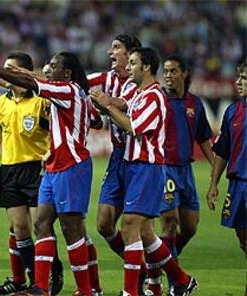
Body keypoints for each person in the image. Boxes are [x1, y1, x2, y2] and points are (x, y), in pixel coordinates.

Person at [0, 47, 102, 296]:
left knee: (71, 228)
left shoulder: (66, 90)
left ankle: (85, 291)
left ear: (66, 73)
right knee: (42, 223)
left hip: (71, 166)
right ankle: (40, 288)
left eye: (53, 65)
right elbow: (96, 120)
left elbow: (27, 81)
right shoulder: (71, 92)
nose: (48, 69)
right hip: (54, 166)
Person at [91, 47, 197, 296]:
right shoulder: (138, 94)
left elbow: (133, 127)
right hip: (132, 166)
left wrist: (107, 105)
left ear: (146, 67)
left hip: (147, 168)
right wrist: (102, 103)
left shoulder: (154, 97)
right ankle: (181, 280)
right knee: (146, 233)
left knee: (129, 227)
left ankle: (131, 291)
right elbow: (122, 107)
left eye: (134, 63)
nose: (128, 67)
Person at [0, 52, 63, 296]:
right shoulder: (1, 102)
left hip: (36, 169)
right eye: (4, 67)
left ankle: (53, 269)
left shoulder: (41, 101)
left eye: (10, 68)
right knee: (20, 229)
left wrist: (51, 152)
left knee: (40, 226)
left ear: (24, 72)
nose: (4, 71)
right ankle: (32, 277)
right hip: (10, 170)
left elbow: (58, 129)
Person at [144, 55, 214, 295]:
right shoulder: (158, 99)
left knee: (190, 227)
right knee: (170, 222)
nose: (169, 75)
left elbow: (204, 138)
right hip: (164, 168)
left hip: (186, 170)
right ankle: (176, 283)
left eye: (174, 71)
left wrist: (215, 172)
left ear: (185, 73)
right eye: (166, 71)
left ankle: (160, 261)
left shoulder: (195, 103)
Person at [87, 34, 148, 294]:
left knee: (142, 229)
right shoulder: (105, 78)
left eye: (116, 48)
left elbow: (120, 104)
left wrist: (102, 102)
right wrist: (24, 74)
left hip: (140, 158)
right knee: (104, 223)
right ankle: (142, 270)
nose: (110, 52)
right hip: (118, 157)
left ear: (131, 54)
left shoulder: (140, 83)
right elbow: (67, 81)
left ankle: (162, 279)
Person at [206, 58, 246, 294]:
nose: (238, 82)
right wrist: (213, 184)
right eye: (239, 77)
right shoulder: (233, 111)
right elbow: (222, 150)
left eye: (244, 78)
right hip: (237, 183)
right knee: (243, 240)